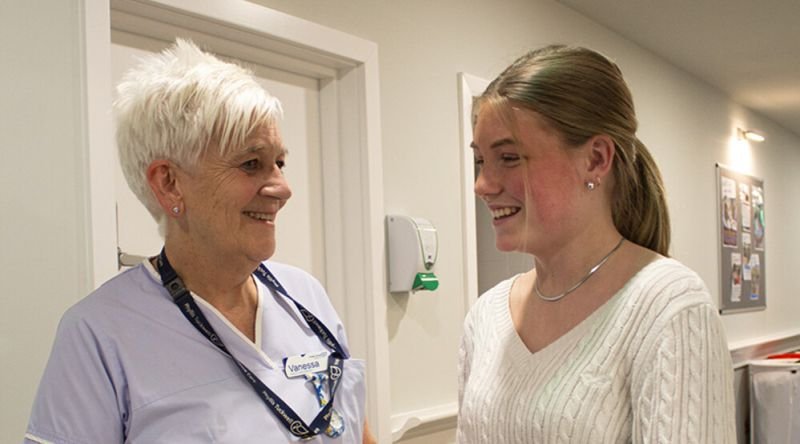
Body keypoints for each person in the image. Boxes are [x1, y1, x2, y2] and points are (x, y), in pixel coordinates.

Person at [25, 39, 375, 444]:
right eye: (251, 164)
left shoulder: (306, 298)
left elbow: (352, 427)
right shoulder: (98, 335)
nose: (282, 187)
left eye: (279, 162)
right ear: (169, 183)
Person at [458, 45, 735, 443]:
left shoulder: (667, 306)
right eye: (482, 160)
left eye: (510, 157)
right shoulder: (485, 318)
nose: (482, 185)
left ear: (596, 159)